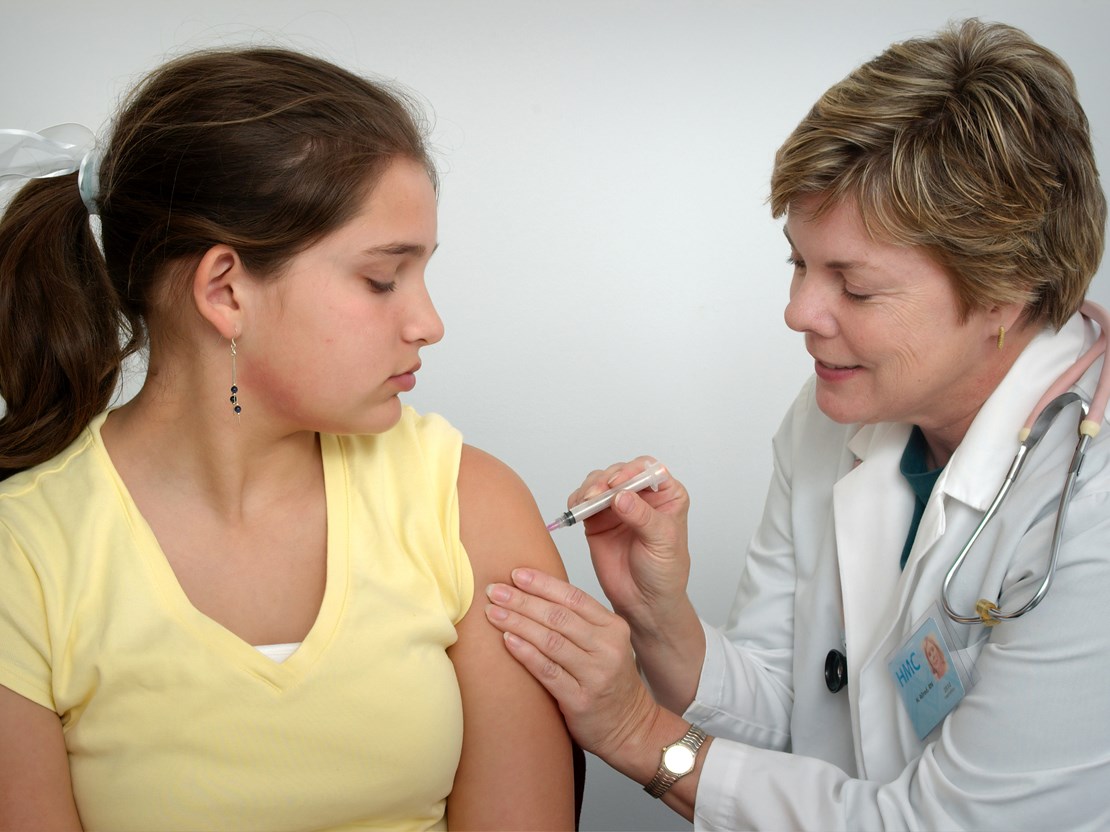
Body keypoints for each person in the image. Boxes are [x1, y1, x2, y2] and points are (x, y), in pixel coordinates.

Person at [484, 18, 1110, 830]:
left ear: (1005, 289)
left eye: (853, 287)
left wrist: (639, 733)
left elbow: (951, 823)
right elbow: (798, 704)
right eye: (798, 263)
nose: (797, 313)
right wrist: (659, 619)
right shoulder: (837, 414)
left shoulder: (1087, 505)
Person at [0, 48, 576, 831]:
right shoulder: (24, 555)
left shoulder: (471, 507)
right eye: (382, 279)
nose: (428, 323)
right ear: (227, 291)